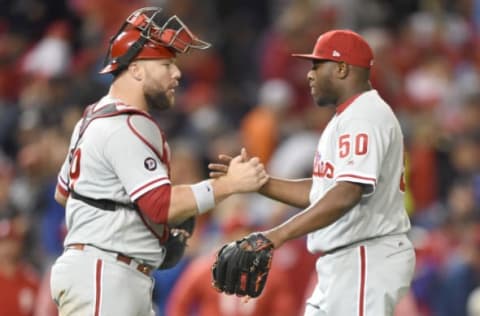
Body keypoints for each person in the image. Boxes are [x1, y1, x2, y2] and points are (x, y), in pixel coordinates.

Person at [50, 7, 268, 316]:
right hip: (105, 273)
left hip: (110, 271)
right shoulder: (126, 124)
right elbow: (160, 206)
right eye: (166, 64)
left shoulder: (93, 117)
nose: (177, 73)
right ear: (136, 69)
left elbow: (64, 195)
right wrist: (229, 184)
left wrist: (137, 226)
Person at [210, 29, 416, 315]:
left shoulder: (365, 116)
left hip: (365, 255)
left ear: (342, 68)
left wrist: (275, 236)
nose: (309, 75)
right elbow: (324, 192)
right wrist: (261, 183)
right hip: (345, 260)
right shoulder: (346, 117)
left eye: (317, 65)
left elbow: (347, 194)